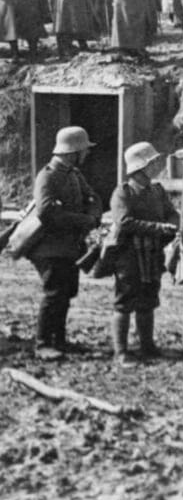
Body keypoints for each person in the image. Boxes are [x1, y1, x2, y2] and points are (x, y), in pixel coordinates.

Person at [29, 126, 102, 359]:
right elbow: (46, 211)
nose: (86, 154)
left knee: (65, 294)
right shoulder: (48, 175)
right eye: (84, 150)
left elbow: (93, 198)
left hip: (69, 247)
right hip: (49, 248)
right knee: (53, 294)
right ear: (74, 151)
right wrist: (84, 220)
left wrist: (92, 216)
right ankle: (42, 344)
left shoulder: (74, 174)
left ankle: (59, 341)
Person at [107, 142, 180, 366]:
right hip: (129, 254)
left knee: (148, 298)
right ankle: (121, 351)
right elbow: (125, 222)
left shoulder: (157, 191)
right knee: (125, 301)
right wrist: (159, 228)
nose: (158, 165)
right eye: (153, 162)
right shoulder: (123, 192)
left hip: (152, 253)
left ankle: (147, 346)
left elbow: (172, 214)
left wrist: (172, 224)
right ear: (142, 167)